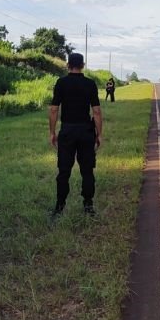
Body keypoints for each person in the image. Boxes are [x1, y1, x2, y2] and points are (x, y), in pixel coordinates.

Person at [49, 52, 102, 216]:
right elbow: (97, 111)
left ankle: (59, 207)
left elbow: (53, 109)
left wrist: (52, 132)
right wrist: (99, 134)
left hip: (67, 131)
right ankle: (88, 206)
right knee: (87, 171)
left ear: (68, 65)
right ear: (83, 65)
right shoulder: (90, 84)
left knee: (64, 171)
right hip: (86, 131)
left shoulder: (61, 83)